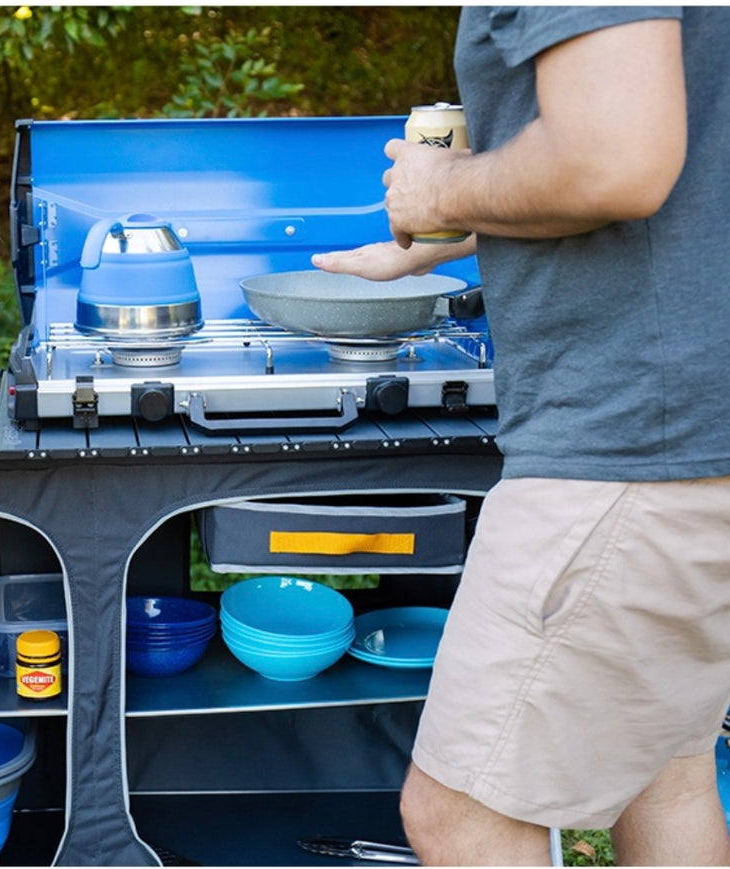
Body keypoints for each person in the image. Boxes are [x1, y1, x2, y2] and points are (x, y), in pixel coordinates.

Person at [314, 7, 730, 865]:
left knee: (460, 812)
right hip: (692, 424)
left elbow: (614, 161)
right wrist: (450, 238)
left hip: (630, 438)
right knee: (667, 768)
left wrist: (437, 190)